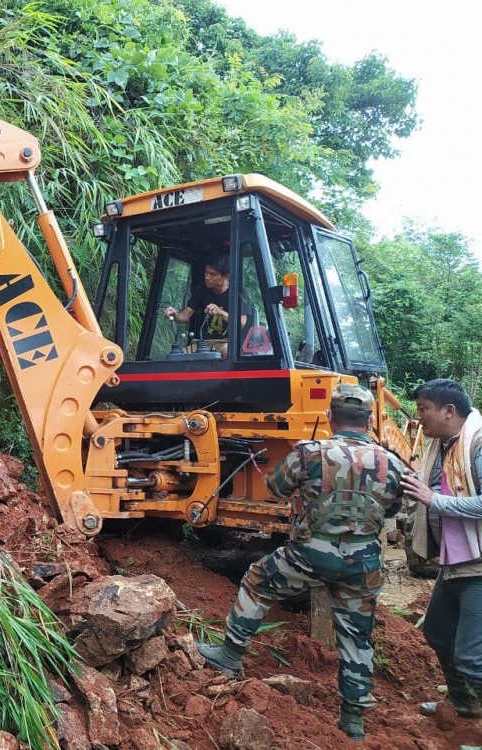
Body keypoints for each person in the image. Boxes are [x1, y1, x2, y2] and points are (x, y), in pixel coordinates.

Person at [195, 383, 405, 741]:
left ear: (329, 417)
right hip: (363, 562)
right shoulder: (392, 461)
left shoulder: (311, 453)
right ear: (369, 420)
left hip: (310, 553)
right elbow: (394, 507)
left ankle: (229, 655)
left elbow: (276, 487)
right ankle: (352, 720)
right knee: (356, 637)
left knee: (258, 581)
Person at [400, 378, 482, 724]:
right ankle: (465, 704)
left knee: (471, 658)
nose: (418, 418)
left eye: (423, 410)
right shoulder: (443, 447)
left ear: (449, 411)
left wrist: (436, 500)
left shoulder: (476, 446)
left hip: (478, 565)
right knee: (435, 631)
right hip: (455, 561)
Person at [164, 254, 244, 358]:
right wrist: (174, 314)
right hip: (201, 343)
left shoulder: (238, 293)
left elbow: (241, 323)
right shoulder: (201, 290)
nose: (207, 277)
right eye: (206, 272)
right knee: (177, 358)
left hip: (225, 343)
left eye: (212, 274)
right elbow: (184, 317)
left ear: (225, 277)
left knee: (229, 354)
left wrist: (219, 312)